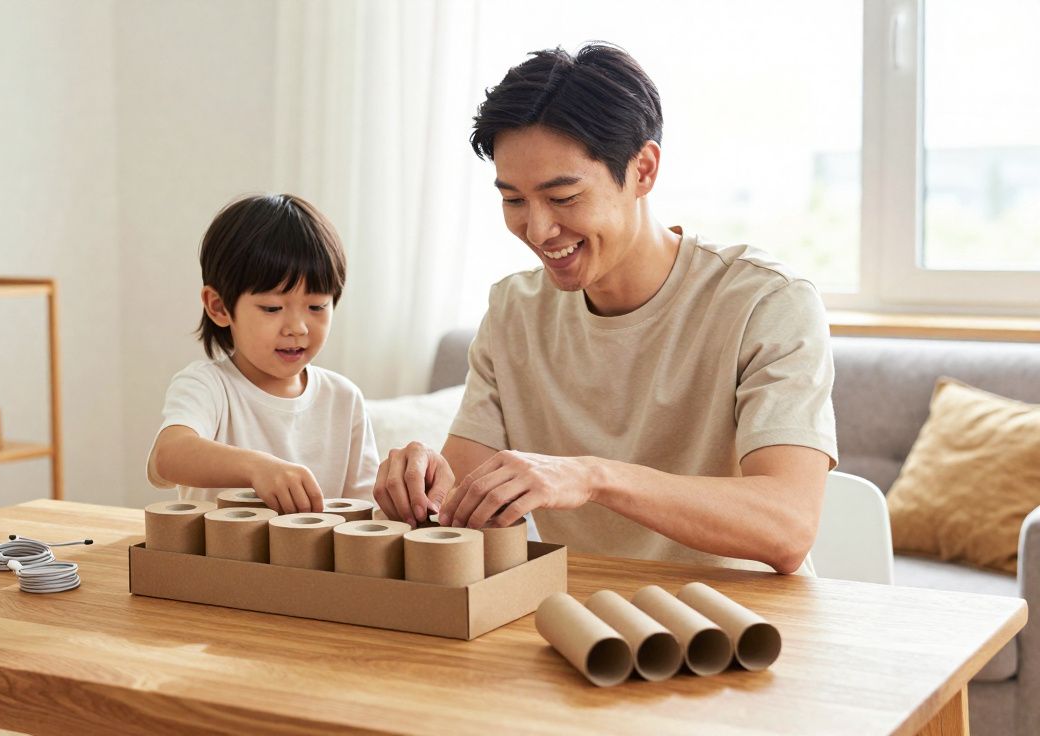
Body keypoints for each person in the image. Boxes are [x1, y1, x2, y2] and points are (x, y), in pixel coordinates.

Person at [373, 43, 836, 574]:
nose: (539, 230)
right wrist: (422, 483)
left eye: (564, 197)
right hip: (578, 620)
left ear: (643, 169)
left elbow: (788, 526)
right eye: (514, 200)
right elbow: (463, 503)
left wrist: (591, 477)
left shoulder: (767, 301)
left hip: (741, 628)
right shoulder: (514, 311)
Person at [147, 193, 379, 513]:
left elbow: (364, 509)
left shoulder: (344, 398)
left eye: (317, 306)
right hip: (218, 563)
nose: (297, 327)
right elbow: (168, 456)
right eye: (272, 308)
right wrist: (257, 467)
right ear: (219, 307)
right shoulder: (208, 386)